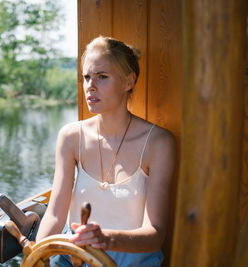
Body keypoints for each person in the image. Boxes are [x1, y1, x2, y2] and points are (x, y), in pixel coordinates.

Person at [35, 36, 176, 267]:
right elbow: (55, 215)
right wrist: (38, 252)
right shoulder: (70, 137)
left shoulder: (159, 142)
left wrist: (105, 239)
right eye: (87, 77)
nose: (90, 86)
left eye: (102, 77)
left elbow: (156, 233)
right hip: (74, 259)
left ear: (128, 81)